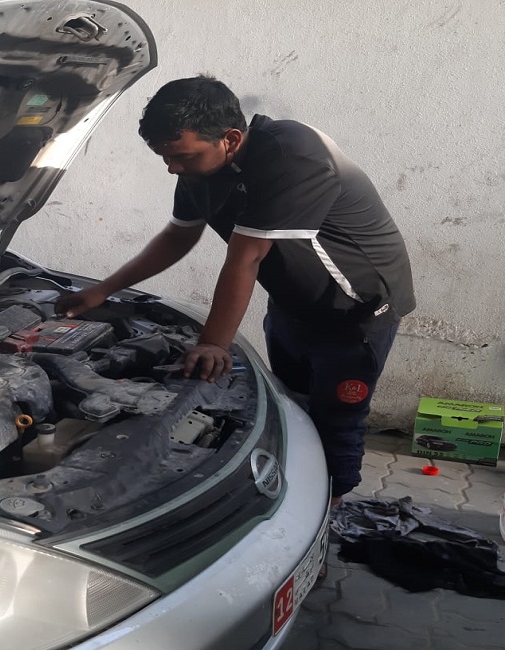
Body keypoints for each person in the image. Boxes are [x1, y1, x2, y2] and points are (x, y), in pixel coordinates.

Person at [55, 75, 415, 506]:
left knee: (336, 420)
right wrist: (103, 290)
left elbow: (245, 258)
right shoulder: (202, 169)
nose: (172, 168)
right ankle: (291, 491)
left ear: (230, 139)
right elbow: (177, 236)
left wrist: (213, 343)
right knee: (294, 406)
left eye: (181, 156)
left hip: (354, 312)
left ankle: (326, 513)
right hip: (292, 303)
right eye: (165, 157)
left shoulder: (292, 155)